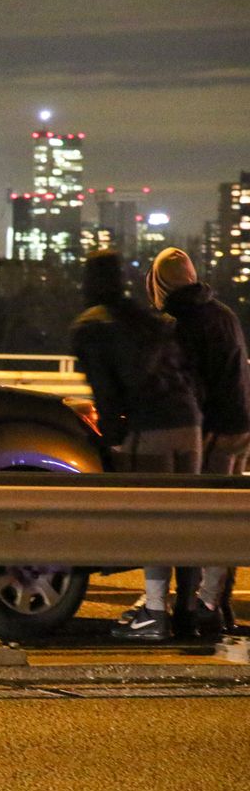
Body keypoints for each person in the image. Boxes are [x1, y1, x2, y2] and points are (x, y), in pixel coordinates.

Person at [70, 250, 202, 640]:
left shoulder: (91, 326)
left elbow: (108, 396)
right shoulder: (149, 319)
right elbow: (184, 370)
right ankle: (188, 612)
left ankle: (155, 614)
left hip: (150, 429)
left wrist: (109, 442)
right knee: (191, 522)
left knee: (156, 523)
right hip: (189, 423)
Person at [146, 246, 250, 635]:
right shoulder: (223, 314)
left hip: (209, 429)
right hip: (240, 426)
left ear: (158, 282)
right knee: (223, 519)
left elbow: (189, 383)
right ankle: (214, 603)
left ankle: (195, 605)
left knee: (193, 518)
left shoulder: (179, 321)